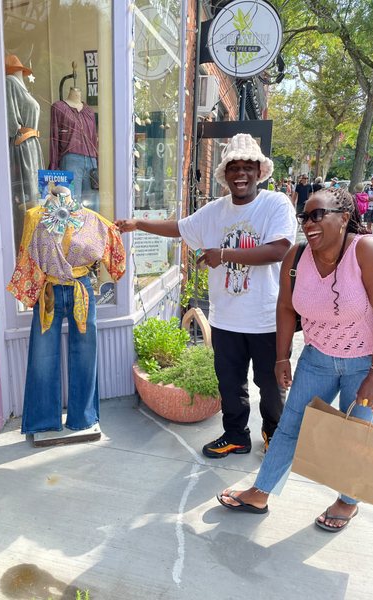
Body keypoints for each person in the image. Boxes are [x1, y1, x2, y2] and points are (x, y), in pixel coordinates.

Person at [217, 186, 373, 532]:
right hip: (316, 358)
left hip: (365, 361)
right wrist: (282, 358)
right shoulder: (296, 257)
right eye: (304, 216)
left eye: (317, 214)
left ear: (343, 218)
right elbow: (284, 307)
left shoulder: (366, 250)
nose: (308, 223)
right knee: (291, 426)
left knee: (356, 435)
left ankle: (347, 501)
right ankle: (260, 491)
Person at [115, 133, 297, 456]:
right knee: (230, 383)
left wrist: (223, 255)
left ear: (259, 171)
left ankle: (273, 433)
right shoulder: (215, 211)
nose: (240, 174)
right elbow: (179, 228)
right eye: (234, 167)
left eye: (247, 167)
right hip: (226, 317)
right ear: (225, 175)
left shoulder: (275, 204)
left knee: (269, 385)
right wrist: (137, 223)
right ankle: (236, 436)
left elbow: (279, 249)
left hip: (265, 318)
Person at [7, 186, 126, 437]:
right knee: (42, 356)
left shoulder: (91, 219)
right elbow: (26, 255)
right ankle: (42, 421)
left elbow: (113, 246)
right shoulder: (34, 216)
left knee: (85, 354)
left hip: (81, 289)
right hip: (48, 289)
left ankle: (82, 419)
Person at [5, 54, 45, 249]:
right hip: (22, 146)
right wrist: (18, 140)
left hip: (31, 145)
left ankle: (35, 244)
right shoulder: (10, 82)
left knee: (35, 195)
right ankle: (25, 245)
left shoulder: (22, 86)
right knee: (27, 195)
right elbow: (12, 122)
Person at [49, 87, 99, 211]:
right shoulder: (59, 108)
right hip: (71, 159)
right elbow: (54, 137)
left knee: (93, 205)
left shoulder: (89, 112)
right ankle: (73, 231)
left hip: (92, 161)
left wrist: (98, 164)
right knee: (71, 205)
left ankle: (92, 231)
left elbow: (94, 138)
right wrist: (54, 166)